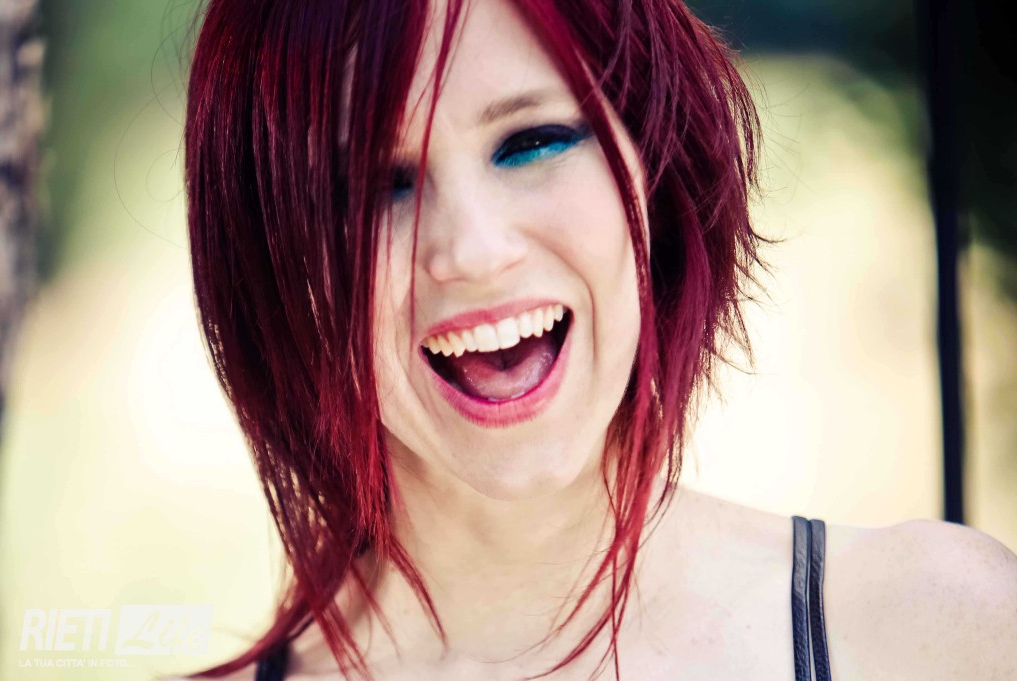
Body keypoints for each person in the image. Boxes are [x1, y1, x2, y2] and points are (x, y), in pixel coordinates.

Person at [176, 0, 1017, 679]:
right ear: (272, 268)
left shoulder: (936, 630)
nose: (473, 251)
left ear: (652, 166)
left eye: (532, 141)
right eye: (376, 188)